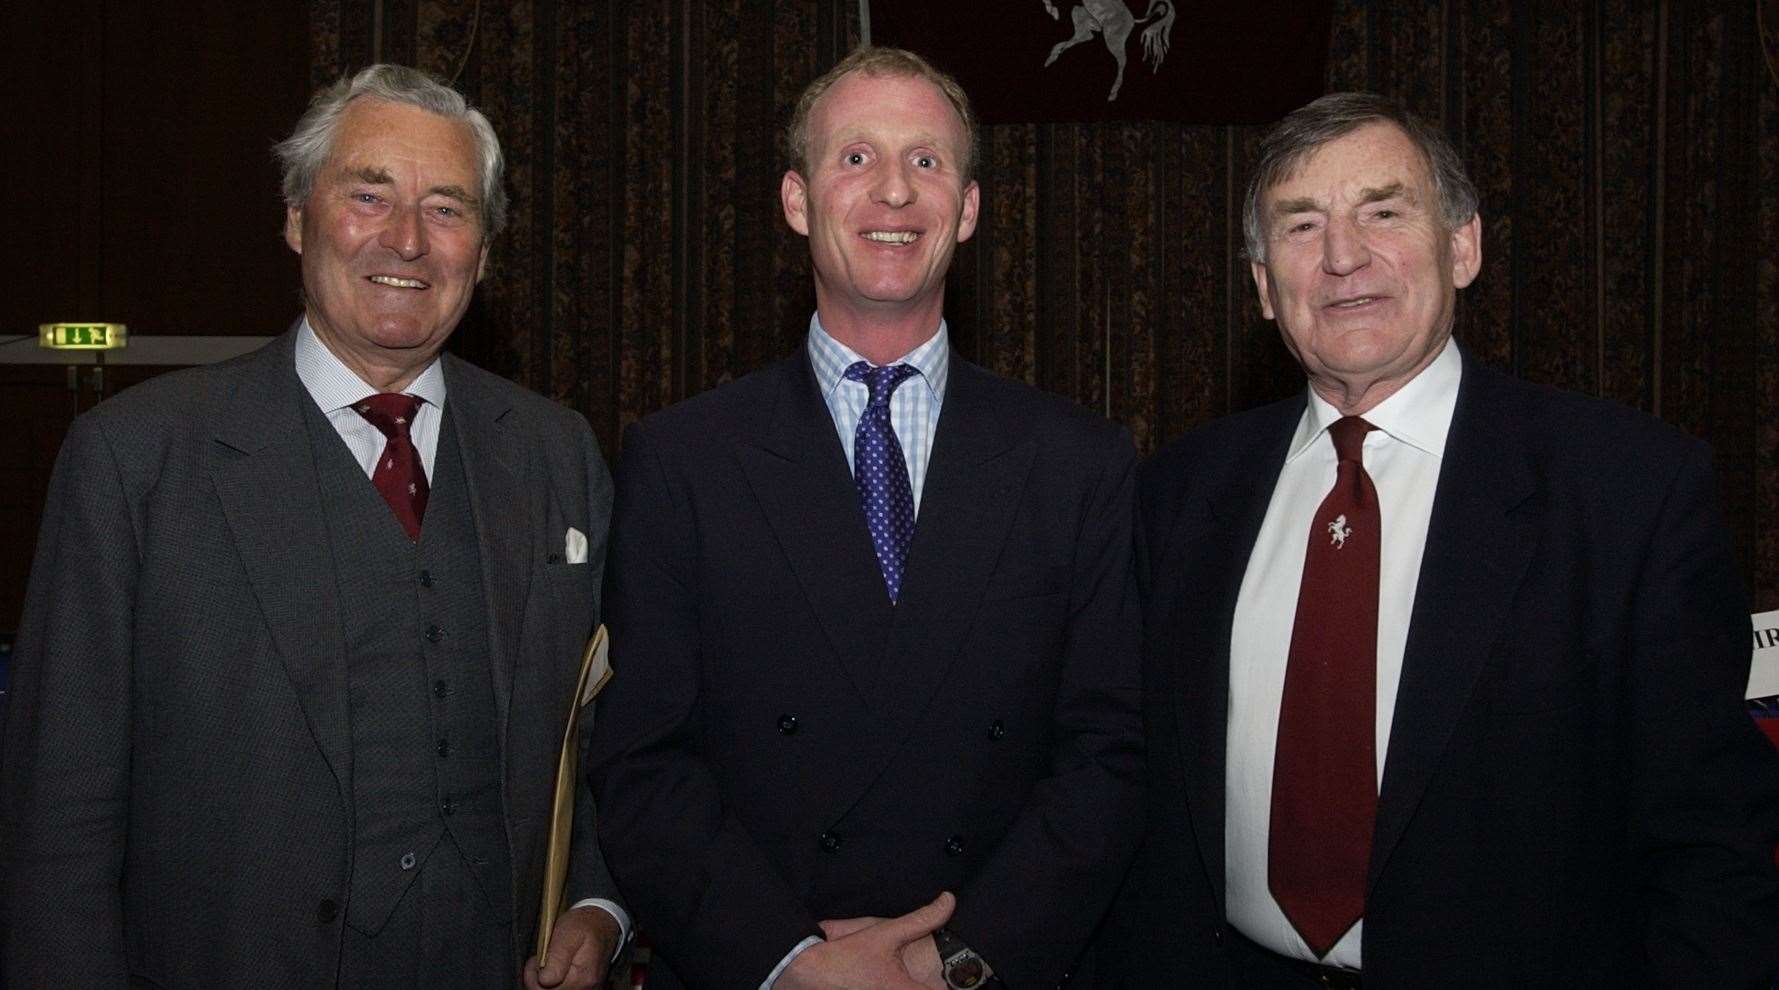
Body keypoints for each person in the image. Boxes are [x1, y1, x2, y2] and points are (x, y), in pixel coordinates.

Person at [1111, 91, 1779, 985]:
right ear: (1265, 287)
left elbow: (1710, 849)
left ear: (1462, 245)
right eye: (1301, 226)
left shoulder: (1628, 494)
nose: (1343, 257)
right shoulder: (1178, 493)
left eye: (1383, 212)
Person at [1, 64, 627, 989]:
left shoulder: (555, 452)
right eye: (368, 195)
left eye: (448, 209)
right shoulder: (136, 459)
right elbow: (60, 816)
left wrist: (597, 901)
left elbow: (612, 733)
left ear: (484, 252)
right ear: (297, 219)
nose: (408, 240)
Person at [587, 46, 1143, 990]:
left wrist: (956, 958)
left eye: (926, 161)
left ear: (965, 211)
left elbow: (1108, 759)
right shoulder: (683, 459)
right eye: (856, 159)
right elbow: (645, 766)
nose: (894, 191)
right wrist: (791, 960)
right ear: (797, 201)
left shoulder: (1078, 461)